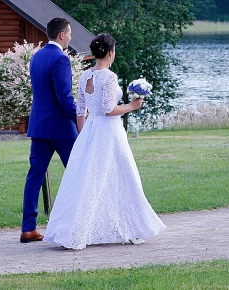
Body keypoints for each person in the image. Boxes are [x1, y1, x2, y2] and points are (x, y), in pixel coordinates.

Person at [44, 33, 166, 250]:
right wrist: (132, 106)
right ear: (111, 53)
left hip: (91, 130)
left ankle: (74, 229)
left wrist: (84, 136)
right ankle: (133, 230)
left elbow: (81, 111)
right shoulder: (109, 77)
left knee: (86, 180)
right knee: (123, 176)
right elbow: (109, 110)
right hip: (109, 132)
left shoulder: (84, 76)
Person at [21, 17, 77, 243]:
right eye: (70, 33)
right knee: (77, 174)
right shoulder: (61, 59)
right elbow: (64, 97)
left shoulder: (36, 57)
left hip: (39, 126)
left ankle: (28, 229)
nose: (71, 37)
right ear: (61, 35)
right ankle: (77, 223)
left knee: (34, 177)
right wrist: (79, 119)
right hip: (61, 128)